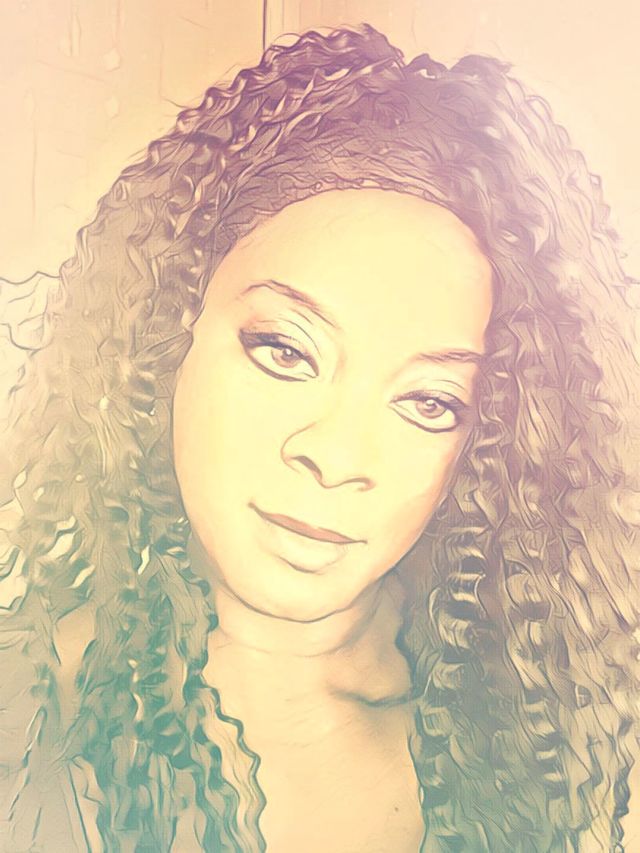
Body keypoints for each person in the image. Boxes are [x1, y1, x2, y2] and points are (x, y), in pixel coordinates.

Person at [0, 22, 638, 853]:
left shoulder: (553, 742)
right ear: (164, 337)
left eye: (430, 401)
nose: (337, 458)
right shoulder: (24, 718)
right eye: (286, 350)